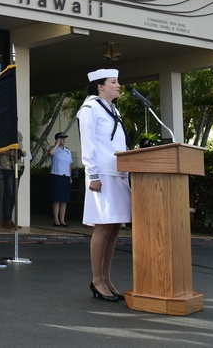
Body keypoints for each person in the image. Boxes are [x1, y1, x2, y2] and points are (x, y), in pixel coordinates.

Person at [78, 68, 131, 303]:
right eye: (114, 82)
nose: (118, 85)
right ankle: (97, 280)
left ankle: (107, 278)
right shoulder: (89, 109)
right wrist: (93, 175)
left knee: (114, 228)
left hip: (118, 174)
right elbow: (88, 144)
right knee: (102, 227)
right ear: (100, 86)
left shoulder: (112, 109)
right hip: (102, 176)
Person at [0, 131, 27, 229]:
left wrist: (22, 153)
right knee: (9, 192)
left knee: (14, 194)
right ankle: (5, 220)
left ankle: (10, 219)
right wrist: (9, 153)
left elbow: (19, 149)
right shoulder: (4, 132)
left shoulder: (19, 134)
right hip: (7, 166)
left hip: (18, 166)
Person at [48, 132, 73, 227]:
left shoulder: (68, 151)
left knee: (64, 199)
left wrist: (70, 176)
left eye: (64, 138)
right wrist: (57, 144)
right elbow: (50, 153)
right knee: (57, 198)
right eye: (61, 138)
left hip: (65, 176)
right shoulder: (53, 148)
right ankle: (56, 219)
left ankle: (62, 219)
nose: (64, 140)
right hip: (56, 175)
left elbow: (69, 164)